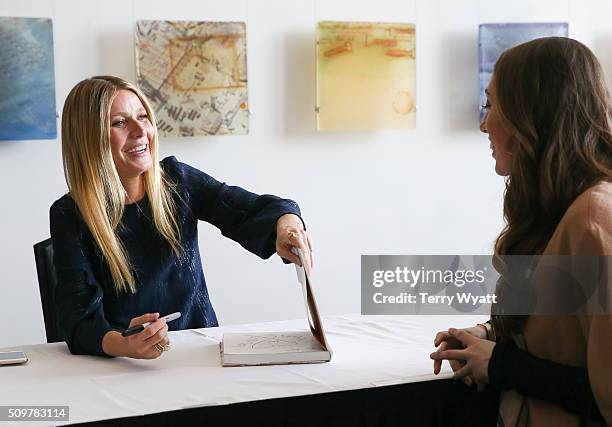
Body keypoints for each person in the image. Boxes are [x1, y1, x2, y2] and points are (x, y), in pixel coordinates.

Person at [50, 75, 313, 360]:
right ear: (88, 138)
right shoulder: (69, 215)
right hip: (122, 369)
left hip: (200, 357)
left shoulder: (178, 181)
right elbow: (77, 323)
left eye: (143, 117)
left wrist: (288, 225)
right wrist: (123, 345)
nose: (141, 131)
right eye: (120, 122)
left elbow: (251, 208)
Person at [429, 37, 612, 426]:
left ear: (531, 115)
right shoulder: (561, 206)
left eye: (491, 104)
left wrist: (500, 364)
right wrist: (491, 334)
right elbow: (566, 337)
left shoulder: (594, 219)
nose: (483, 123)